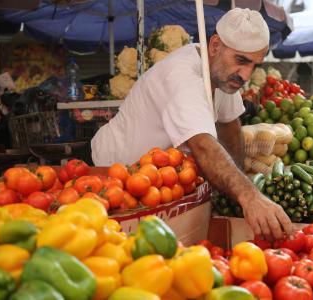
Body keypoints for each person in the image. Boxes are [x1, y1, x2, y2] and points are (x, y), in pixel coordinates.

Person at [91, 8, 293, 240]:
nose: (246, 75)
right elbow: (204, 146)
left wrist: (237, 192)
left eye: (254, 65)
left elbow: (229, 126)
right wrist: (250, 197)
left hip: (154, 183)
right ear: (215, 45)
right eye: (241, 61)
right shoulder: (184, 78)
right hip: (111, 174)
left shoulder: (221, 72)